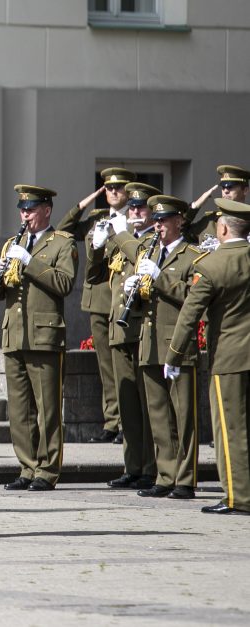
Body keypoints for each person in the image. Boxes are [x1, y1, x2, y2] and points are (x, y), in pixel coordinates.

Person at [165, 198, 250, 516]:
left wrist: (174, 354)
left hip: (228, 357)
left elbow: (190, 314)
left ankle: (237, 497)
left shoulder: (212, 265)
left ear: (224, 227)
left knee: (228, 430)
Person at [114, 194, 200, 499]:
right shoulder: (150, 253)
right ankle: (165, 475)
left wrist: (160, 278)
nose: (158, 225)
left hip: (177, 345)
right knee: (159, 415)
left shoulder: (193, 256)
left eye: (164, 220)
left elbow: (194, 297)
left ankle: (186, 479)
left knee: (183, 415)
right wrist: (131, 293)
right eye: (157, 220)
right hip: (149, 343)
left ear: (179, 221)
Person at [0, 185, 77, 492]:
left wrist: (29, 262)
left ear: (46, 210)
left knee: (48, 408)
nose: (24, 214)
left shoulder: (62, 244)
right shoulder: (13, 243)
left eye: (30, 209)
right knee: (19, 408)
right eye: (22, 209)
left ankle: (47, 469)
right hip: (15, 334)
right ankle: (27, 467)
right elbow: (3, 293)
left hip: (44, 335)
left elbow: (64, 282)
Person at [57, 168, 136, 444]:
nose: (113, 192)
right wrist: (85, 202)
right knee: (105, 365)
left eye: (119, 188)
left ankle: (128, 422)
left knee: (123, 365)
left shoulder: (134, 221)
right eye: (108, 188)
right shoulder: (96, 218)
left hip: (122, 299)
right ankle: (112, 421)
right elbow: (63, 229)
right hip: (97, 300)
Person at [89, 183, 158, 491]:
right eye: (132, 207)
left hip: (143, 329)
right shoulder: (122, 238)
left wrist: (120, 235)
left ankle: (152, 467)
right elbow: (94, 278)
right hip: (120, 328)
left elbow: (143, 257)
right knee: (128, 402)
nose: (134, 212)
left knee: (147, 404)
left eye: (140, 208)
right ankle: (133, 465)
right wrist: (96, 247)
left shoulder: (151, 240)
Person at [185, 165, 250, 245]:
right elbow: (180, 233)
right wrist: (195, 206)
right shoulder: (210, 222)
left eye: (230, 187)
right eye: (223, 187)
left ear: (245, 190)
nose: (225, 191)